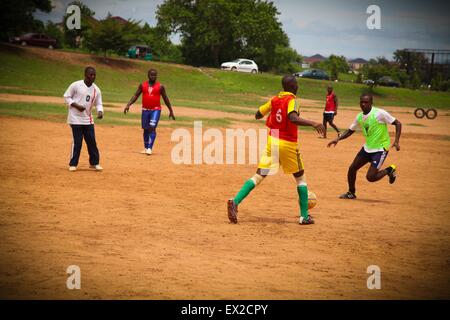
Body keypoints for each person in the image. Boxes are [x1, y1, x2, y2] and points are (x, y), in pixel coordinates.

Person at [227, 75, 325, 225]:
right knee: (300, 178)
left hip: (272, 140)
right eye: (296, 84)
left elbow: (258, 114)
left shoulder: (275, 99)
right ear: (293, 87)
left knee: (259, 175)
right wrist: (314, 123)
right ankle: (304, 216)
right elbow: (292, 118)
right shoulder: (293, 100)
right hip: (287, 143)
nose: (298, 86)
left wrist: (272, 111)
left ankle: (235, 201)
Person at [327, 93, 402, 199]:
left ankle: (389, 170)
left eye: (366, 102)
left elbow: (398, 123)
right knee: (352, 169)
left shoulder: (379, 113)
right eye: (361, 102)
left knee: (370, 177)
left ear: (371, 103)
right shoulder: (360, 117)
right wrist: (337, 139)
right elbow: (350, 131)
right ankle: (351, 193)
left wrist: (396, 141)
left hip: (380, 149)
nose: (363, 104)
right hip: (368, 148)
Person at [124, 69, 175, 155]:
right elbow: (136, 95)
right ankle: (146, 147)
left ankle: (150, 148)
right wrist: (128, 105)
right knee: (146, 129)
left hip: (155, 110)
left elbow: (166, 99)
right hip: (145, 110)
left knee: (152, 127)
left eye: (155, 75)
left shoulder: (160, 87)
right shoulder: (142, 85)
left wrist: (171, 110)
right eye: (151, 75)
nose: (153, 77)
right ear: (148, 75)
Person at [63, 66, 104, 172]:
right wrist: (76, 106)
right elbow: (66, 97)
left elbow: (98, 103)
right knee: (78, 142)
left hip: (88, 119)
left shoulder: (96, 89)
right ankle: (73, 164)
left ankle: (94, 163)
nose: (93, 76)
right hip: (75, 118)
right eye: (91, 74)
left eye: (94, 75)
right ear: (85, 75)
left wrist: (100, 111)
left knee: (92, 141)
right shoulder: (76, 85)